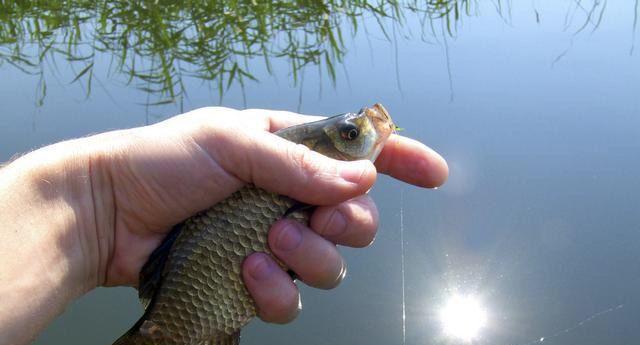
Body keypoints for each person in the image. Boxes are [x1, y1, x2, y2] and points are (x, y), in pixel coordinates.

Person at [0, 106, 448, 345]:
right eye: (350, 135)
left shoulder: (287, 167)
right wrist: (101, 202)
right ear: (318, 159)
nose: (364, 131)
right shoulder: (280, 167)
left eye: (349, 134)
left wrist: (99, 207)